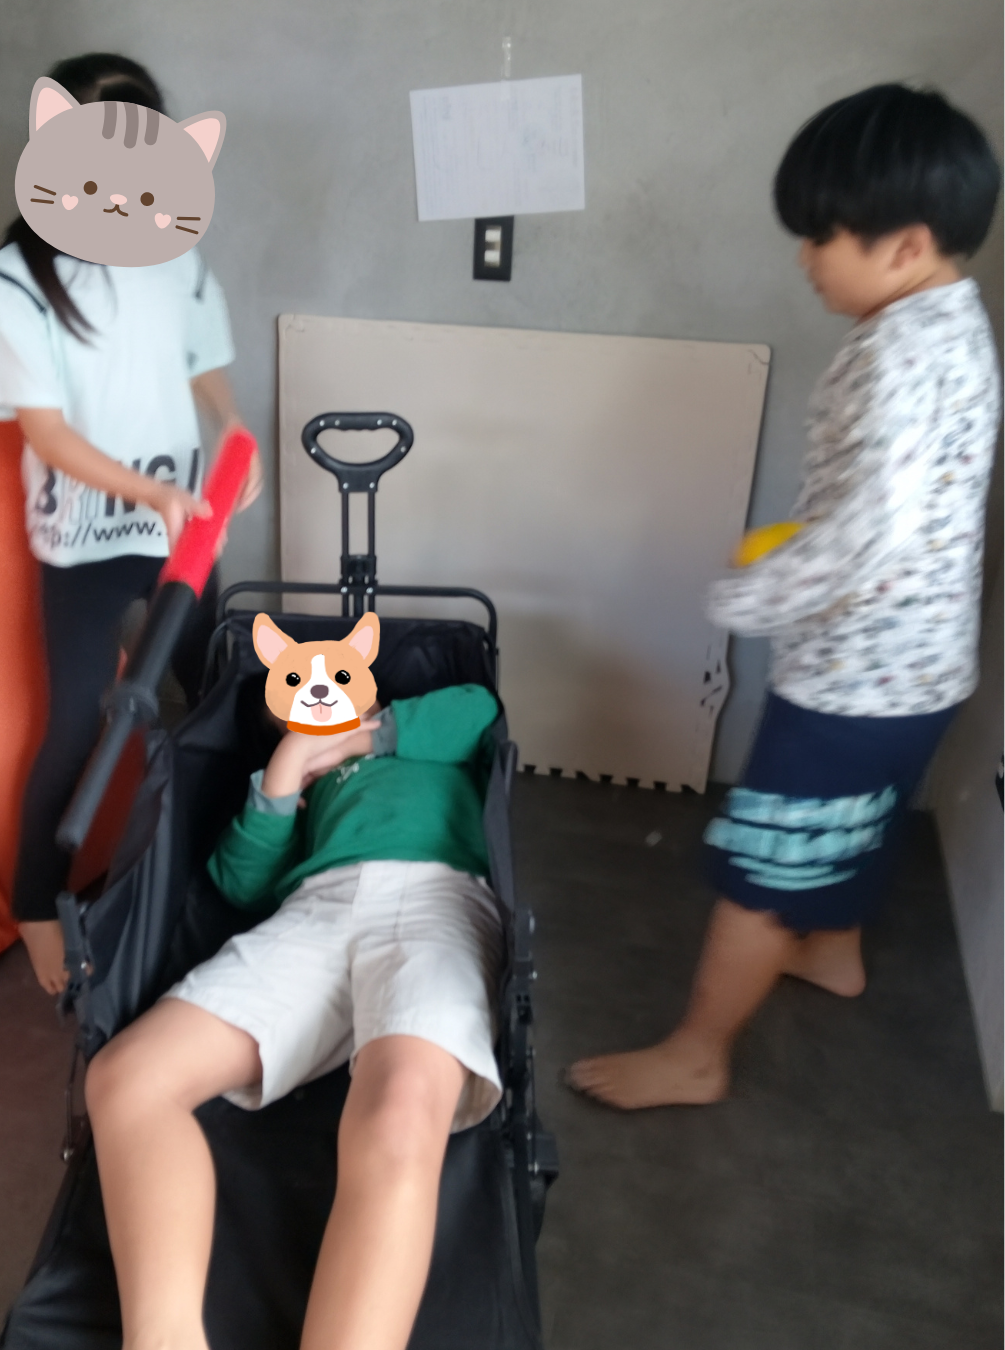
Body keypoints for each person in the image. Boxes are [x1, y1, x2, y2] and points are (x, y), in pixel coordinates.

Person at [568, 84, 1002, 1110]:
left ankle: (698, 1054)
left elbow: (870, 530)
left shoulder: (895, 354)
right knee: (856, 824)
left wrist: (754, 596)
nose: (804, 259)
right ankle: (834, 951)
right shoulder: (959, 328)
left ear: (906, 245)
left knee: (767, 866)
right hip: (926, 672)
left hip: (856, 679)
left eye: (821, 236)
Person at [0, 53, 262, 996]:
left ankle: (237, 864)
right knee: (78, 723)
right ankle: (35, 906)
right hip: (87, 539)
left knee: (219, 691)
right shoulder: (16, 279)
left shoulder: (176, 253)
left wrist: (231, 424)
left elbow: (201, 360)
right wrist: (148, 493)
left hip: (182, 526)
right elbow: (45, 432)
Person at [84, 682, 505, 1350]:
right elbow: (240, 880)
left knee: (401, 1111)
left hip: (439, 898)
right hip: (318, 908)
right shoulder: (302, 778)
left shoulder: (427, 731)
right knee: (129, 1078)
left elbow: (480, 712)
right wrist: (284, 776)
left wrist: (362, 738)